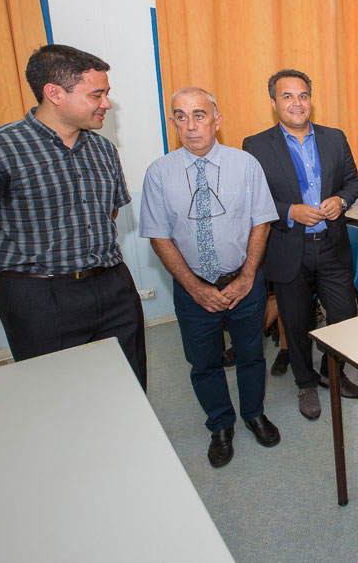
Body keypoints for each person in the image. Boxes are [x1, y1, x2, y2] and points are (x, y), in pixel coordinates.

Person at [0, 44, 146, 388]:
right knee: (58, 397)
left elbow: (110, 211)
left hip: (113, 286)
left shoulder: (103, 149)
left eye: (106, 94)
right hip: (38, 298)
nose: (106, 103)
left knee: (129, 388)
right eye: (96, 94)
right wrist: (3, 289)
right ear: (54, 93)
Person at [140, 87, 280, 467]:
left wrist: (248, 276)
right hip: (193, 289)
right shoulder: (159, 173)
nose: (190, 125)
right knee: (203, 362)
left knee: (251, 354)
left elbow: (261, 223)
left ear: (217, 121)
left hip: (244, 282)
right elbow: (158, 235)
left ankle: (253, 413)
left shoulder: (245, 165)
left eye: (199, 115)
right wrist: (195, 287)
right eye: (180, 117)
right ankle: (220, 423)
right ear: (173, 123)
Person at [242, 69, 358, 421]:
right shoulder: (256, 145)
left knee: (343, 316)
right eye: (287, 96)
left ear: (311, 99)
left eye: (302, 95)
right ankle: (306, 382)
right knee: (295, 322)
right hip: (287, 246)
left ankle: (333, 372)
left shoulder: (334, 138)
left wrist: (341, 200)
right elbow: (253, 198)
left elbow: (353, 182)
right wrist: (289, 211)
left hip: (331, 244)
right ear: (273, 103)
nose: (297, 103)